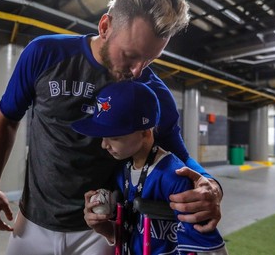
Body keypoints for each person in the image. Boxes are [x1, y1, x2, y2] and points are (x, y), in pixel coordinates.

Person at [0, 0, 223, 254]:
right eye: (131, 55)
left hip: (102, 229)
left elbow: (177, 153)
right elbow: (7, 119)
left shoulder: (152, 93)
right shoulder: (45, 54)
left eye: (149, 60)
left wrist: (211, 184)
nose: (137, 71)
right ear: (105, 26)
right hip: (33, 221)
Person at [72, 80, 228, 255]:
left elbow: (208, 248)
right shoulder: (122, 171)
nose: (104, 145)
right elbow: (131, 235)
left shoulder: (174, 177)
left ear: (145, 133)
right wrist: (103, 227)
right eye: (102, 137)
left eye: (114, 137)